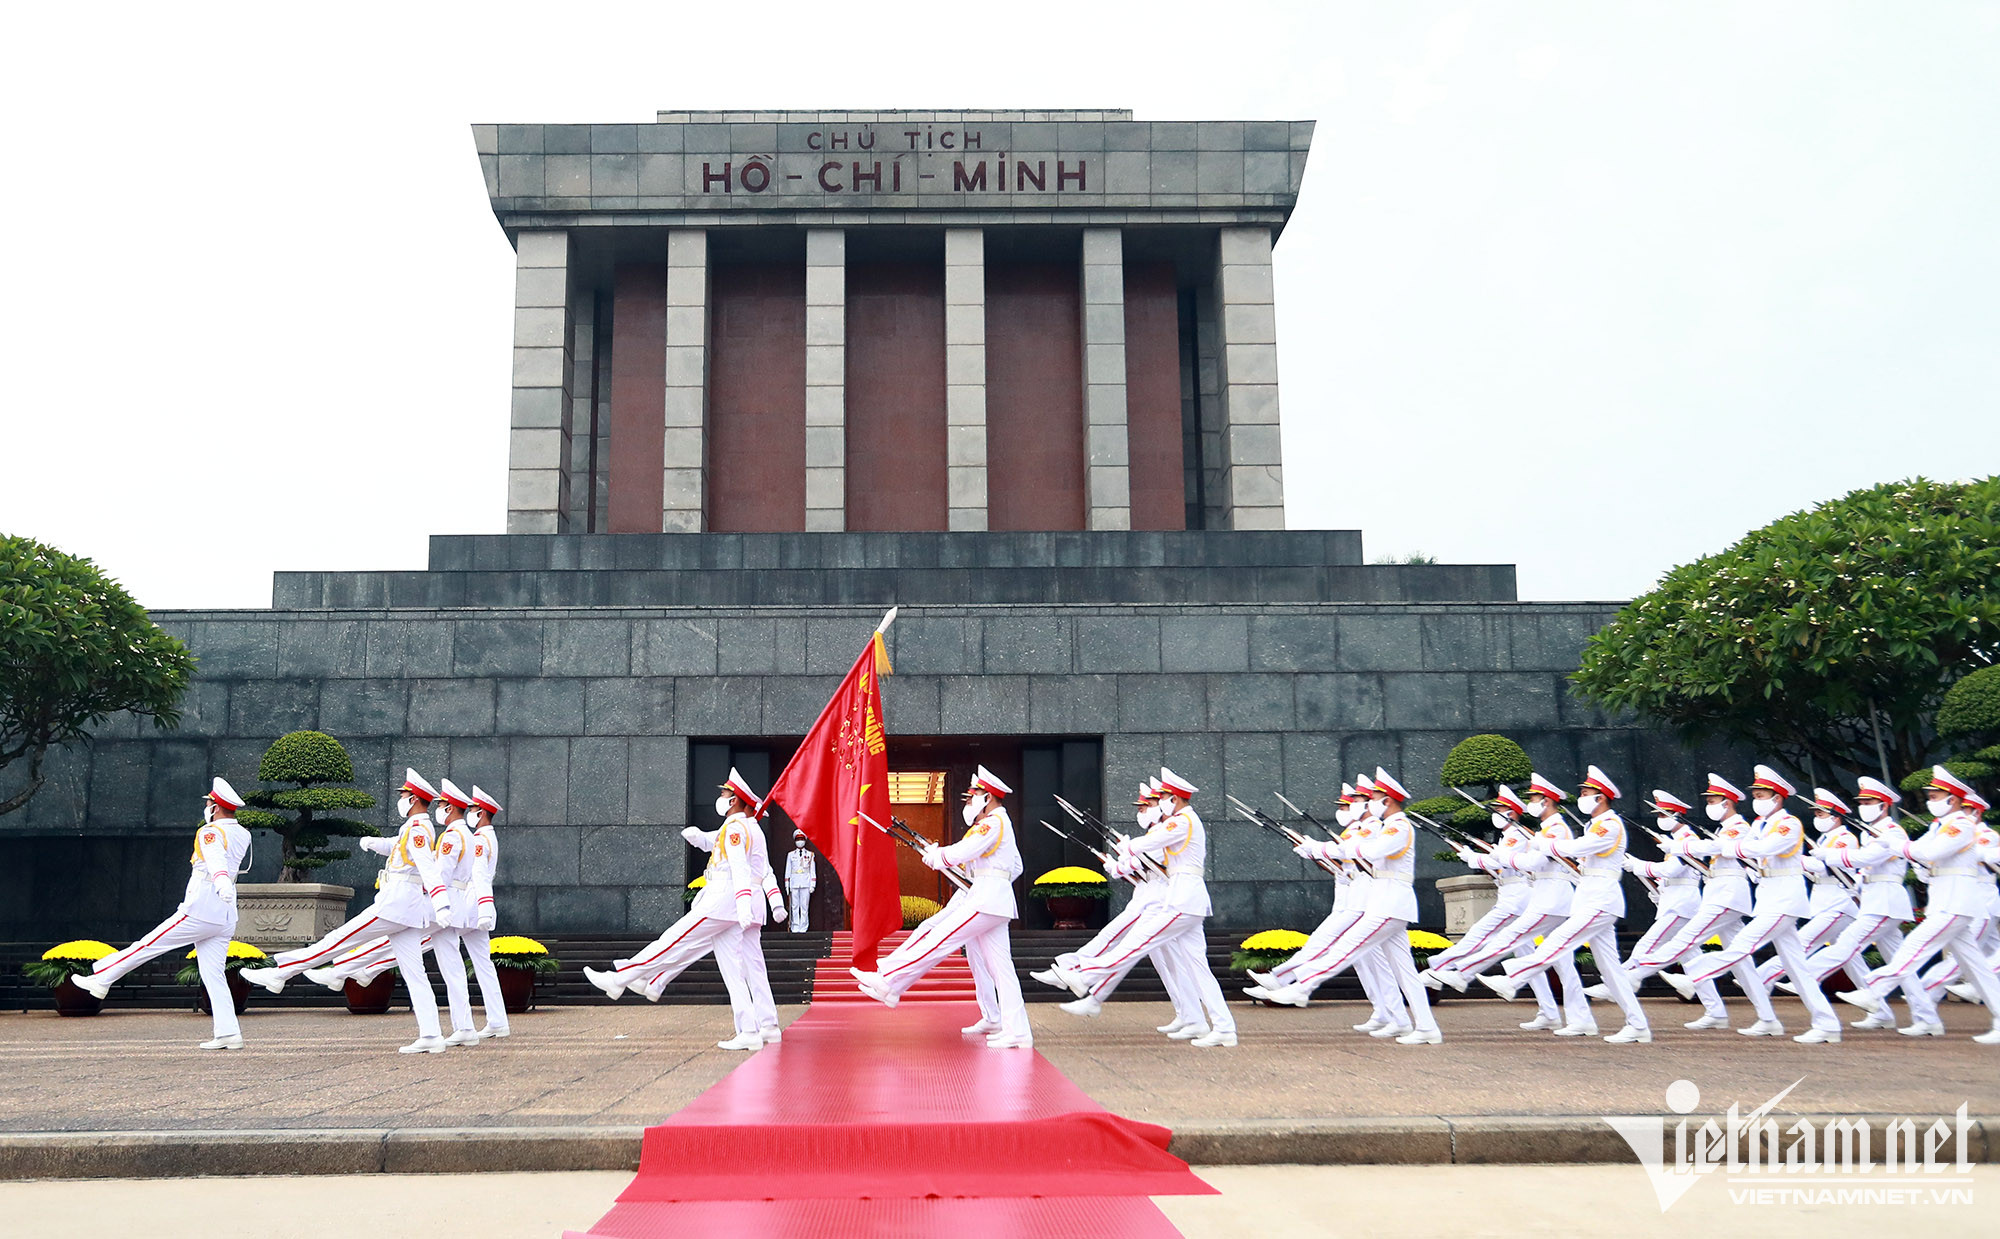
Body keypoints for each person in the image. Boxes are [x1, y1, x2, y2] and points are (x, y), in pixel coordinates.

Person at [240, 769, 456, 1053]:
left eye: (403, 795)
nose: (400, 799)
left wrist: (441, 904)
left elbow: (428, 867)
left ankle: (281, 972)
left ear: (414, 799)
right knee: (415, 973)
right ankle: (431, 1035)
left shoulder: (418, 830)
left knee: (337, 941)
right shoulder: (415, 827)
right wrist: (372, 843)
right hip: (406, 907)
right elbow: (395, 846)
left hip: (396, 904)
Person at [853, 766, 1034, 1049]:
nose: (970, 800)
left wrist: (939, 856)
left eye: (974, 795)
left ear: (987, 797)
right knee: (1001, 970)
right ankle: (1017, 1030)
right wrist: (946, 859)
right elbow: (1012, 865)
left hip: (985, 899)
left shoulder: (993, 823)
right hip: (993, 897)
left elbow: (960, 853)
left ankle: (888, 979)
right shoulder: (999, 824)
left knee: (940, 937)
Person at [1664, 765, 1844, 1043]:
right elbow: (1748, 852)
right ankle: (1823, 1023)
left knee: (1741, 946)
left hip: (1784, 900)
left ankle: (1696, 975)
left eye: (1762, 794)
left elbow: (1763, 849)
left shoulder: (1790, 823)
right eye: (1756, 794)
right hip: (1770, 897)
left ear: (1777, 797)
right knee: (1797, 968)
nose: (1757, 799)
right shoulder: (1760, 825)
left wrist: (1727, 847)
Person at [1262, 769, 1440, 1046]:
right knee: (1404, 971)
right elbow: (1354, 851)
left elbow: (1371, 852)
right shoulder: (1388, 826)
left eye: (1376, 797)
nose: (1370, 802)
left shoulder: (1398, 826)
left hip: (1389, 904)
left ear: (1388, 800)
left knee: (1349, 947)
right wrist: (1318, 848)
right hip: (1387, 902)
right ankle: (1425, 1026)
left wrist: (1346, 846)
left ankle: (1302, 986)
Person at [74, 778, 253, 1050]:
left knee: (148, 944)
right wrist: (225, 885)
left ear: (216, 807)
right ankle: (228, 1032)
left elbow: (216, 859)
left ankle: (102, 978)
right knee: (213, 974)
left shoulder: (211, 831)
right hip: (225, 914)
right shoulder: (242, 832)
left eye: (209, 803)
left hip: (202, 905)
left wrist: (220, 882)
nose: (206, 806)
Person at [1480, 766, 1651, 1044]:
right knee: (1610, 969)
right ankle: (1637, 1024)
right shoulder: (1594, 825)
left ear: (1601, 798)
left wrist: (1540, 843)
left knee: (1559, 940)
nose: (1581, 796)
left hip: (1600, 900)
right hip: (1591, 897)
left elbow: (1575, 849)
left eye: (1586, 793)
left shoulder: (1610, 824)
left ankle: (1514, 978)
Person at [1837, 766, 2000, 1044]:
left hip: (1955, 901)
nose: (1930, 800)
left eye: (1936, 795)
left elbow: (1929, 852)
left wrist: (1894, 844)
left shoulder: (1961, 824)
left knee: (1915, 946)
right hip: (1945, 899)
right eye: (1930, 795)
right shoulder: (1939, 827)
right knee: (1977, 968)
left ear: (1953, 799)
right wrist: (1916, 861)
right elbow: (1922, 857)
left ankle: (1875, 990)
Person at [1422, 774, 1590, 1036]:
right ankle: (1558, 1014)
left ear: (1545, 801)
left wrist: (1482, 858)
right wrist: (1483, 856)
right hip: (1541, 895)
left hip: (1539, 897)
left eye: (1534, 798)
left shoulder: (1544, 831)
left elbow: (1526, 864)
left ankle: (1454, 969)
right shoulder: (1538, 831)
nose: (1495, 813)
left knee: (1500, 937)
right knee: (1558, 960)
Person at [1049, 779, 1207, 1036]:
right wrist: (1122, 861)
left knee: (1130, 946)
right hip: (1156, 896)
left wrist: (1122, 861)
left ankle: (1083, 977)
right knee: (1163, 961)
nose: (1143, 810)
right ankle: (1189, 1015)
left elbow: (1151, 863)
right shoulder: (1162, 829)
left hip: (1164, 898)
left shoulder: (1173, 827)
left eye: (1149, 804)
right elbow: (1144, 867)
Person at [1625, 773, 1771, 1031]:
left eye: (1713, 800)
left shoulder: (1739, 827)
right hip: (1718, 894)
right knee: (1742, 963)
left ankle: (1632, 975)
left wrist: (1674, 849)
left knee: (1685, 941)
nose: (1710, 805)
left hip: (1727, 896)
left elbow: (1714, 850)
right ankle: (1758, 1017)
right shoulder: (1721, 829)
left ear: (1727, 802)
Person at [657, 771, 788, 1047]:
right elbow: (716, 843)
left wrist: (754, 904)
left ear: (735, 801)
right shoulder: (747, 829)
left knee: (736, 967)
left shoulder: (740, 829)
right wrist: (696, 837)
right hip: (748, 904)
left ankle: (750, 1030)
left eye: (725, 794)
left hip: (737, 902)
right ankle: (768, 1025)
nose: (721, 797)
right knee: (754, 967)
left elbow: (757, 871)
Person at [1583, 789, 1721, 1027]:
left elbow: (1672, 871)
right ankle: (1716, 1011)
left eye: (1664, 813)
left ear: (1677, 815)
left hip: (1681, 905)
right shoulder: (1678, 841)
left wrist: (1639, 865)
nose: (1660, 817)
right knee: (1692, 959)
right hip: (1675, 902)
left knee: (1647, 946)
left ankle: (1620, 982)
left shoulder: (1687, 839)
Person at [785, 831, 817, 933]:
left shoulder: (810, 854)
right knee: (794, 906)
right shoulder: (790, 855)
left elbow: (812, 870)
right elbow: (788, 870)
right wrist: (787, 884)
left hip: (805, 882)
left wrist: (813, 884)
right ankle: (795, 927)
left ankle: (803, 927)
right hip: (794, 883)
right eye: (798, 839)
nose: (800, 842)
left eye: (801, 839)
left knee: (804, 906)